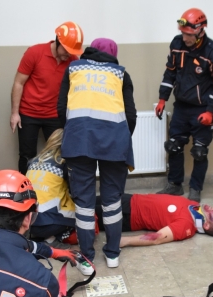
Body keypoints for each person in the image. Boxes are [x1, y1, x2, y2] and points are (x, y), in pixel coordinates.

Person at [58, 38, 137, 271]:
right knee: (112, 201)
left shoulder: (73, 69)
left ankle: (86, 258)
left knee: (83, 202)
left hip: (79, 139)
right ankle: (112, 254)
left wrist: (73, 132)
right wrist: (121, 137)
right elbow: (130, 116)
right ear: (114, 54)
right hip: (114, 142)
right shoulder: (121, 74)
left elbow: (61, 108)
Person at [155, 8, 213, 203]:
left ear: (200, 31)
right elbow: (170, 73)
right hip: (181, 106)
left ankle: (195, 188)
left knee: (199, 151)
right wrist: (163, 98)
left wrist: (210, 112)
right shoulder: (176, 44)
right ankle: (175, 185)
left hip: (202, 109)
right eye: (183, 33)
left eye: (188, 34)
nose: (185, 37)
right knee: (174, 147)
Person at [10, 22, 84, 174]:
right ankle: (26, 192)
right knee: (26, 155)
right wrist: (14, 113)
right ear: (58, 41)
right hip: (28, 114)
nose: (68, 54)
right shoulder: (34, 53)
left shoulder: (73, 61)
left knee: (58, 156)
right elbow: (18, 83)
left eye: (72, 51)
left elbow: (77, 91)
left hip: (54, 115)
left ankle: (54, 191)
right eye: (66, 49)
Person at [95, 193, 213, 247]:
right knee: (83, 202)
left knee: (83, 214)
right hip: (129, 199)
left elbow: (157, 238)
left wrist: (126, 241)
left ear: (206, 225)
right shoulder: (194, 206)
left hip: (128, 214)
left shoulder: (186, 225)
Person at [25, 129, 75, 249]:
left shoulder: (33, 161)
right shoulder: (64, 163)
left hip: (25, 221)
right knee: (83, 212)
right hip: (46, 224)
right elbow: (76, 192)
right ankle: (51, 239)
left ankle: (36, 238)